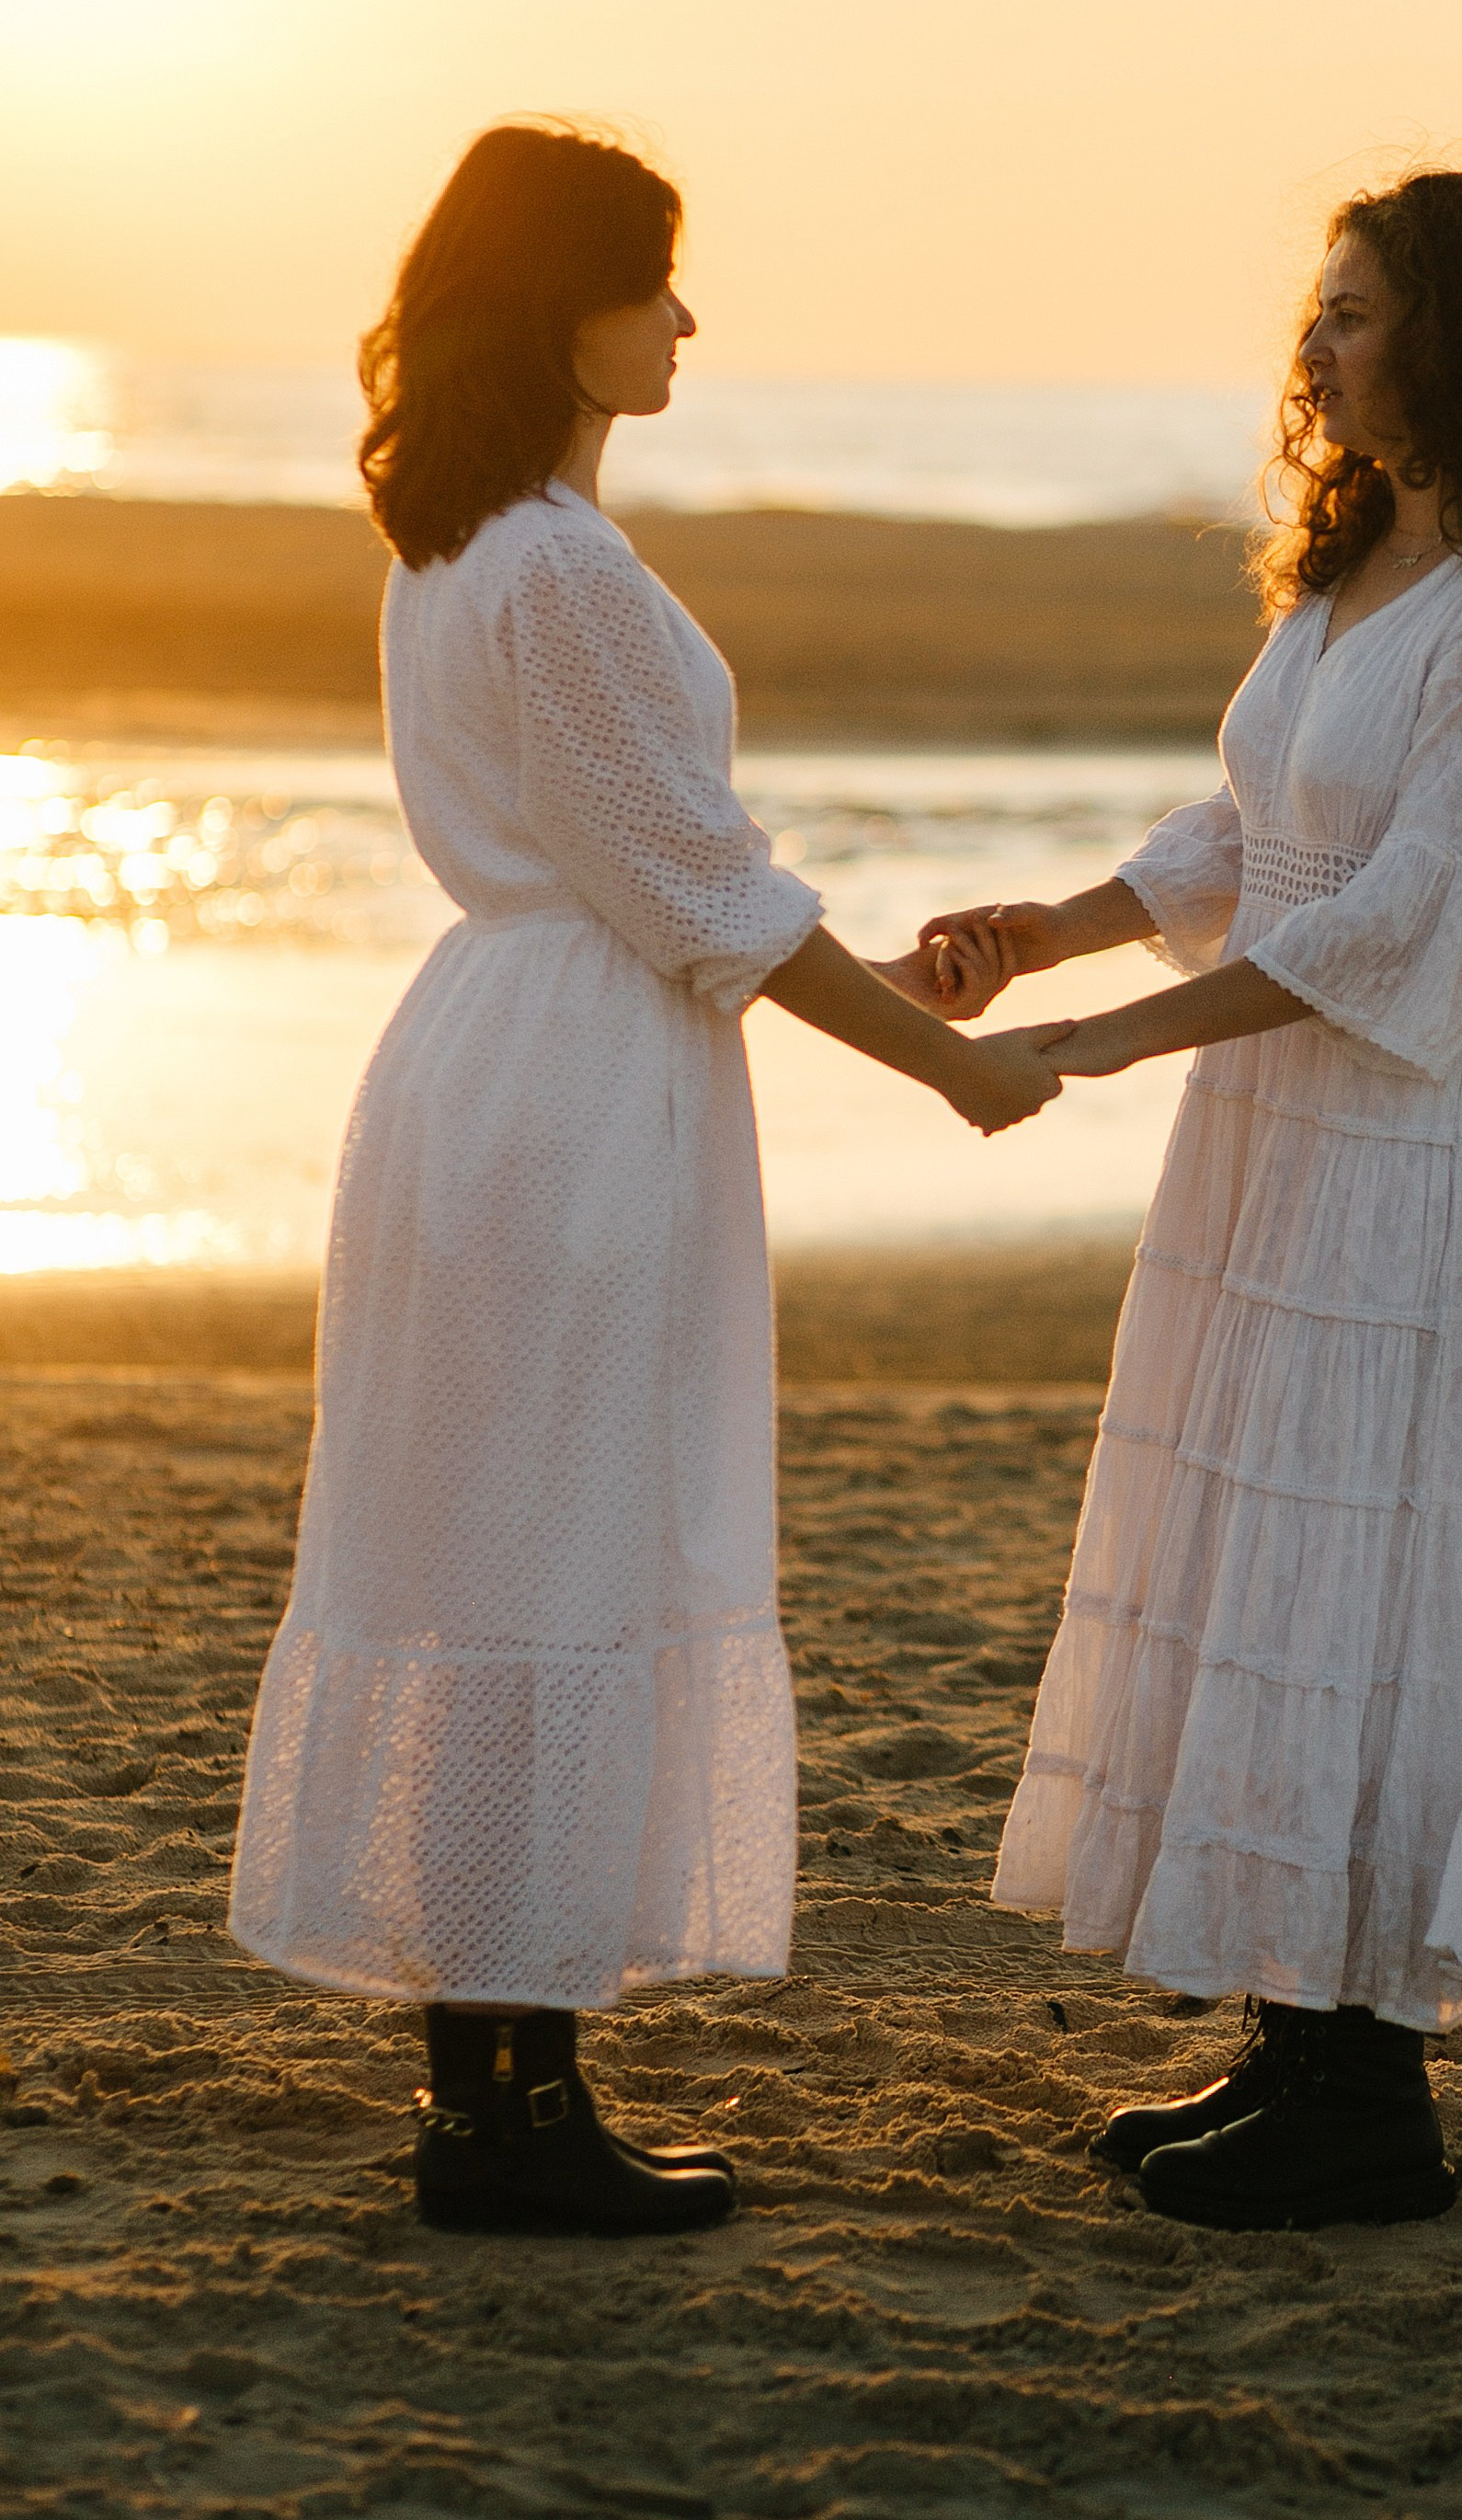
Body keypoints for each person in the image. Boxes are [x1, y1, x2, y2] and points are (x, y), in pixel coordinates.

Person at [227, 122, 1063, 2239]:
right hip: (576, 1091)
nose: (689, 318)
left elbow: (676, 875)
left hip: (492, 1057)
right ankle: (515, 2107)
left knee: (507, 1553)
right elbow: (702, 893)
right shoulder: (558, 566)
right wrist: (948, 1058)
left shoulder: (460, 544)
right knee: (562, 1557)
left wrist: (874, 975)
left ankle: (495, 2090)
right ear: (562, 302)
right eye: (657, 278)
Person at [925, 167, 1462, 2232]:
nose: (1319, 341)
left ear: (1455, 334)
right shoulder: (1351, 563)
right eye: (1319, 308)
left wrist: (1104, 1047)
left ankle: (1372, 2097)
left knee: (1364, 1561)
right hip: (1274, 1115)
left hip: (1416, 1123)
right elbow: (1246, 828)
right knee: (1259, 1539)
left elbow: (1407, 916)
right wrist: (1050, 933)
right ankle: (1292, 2036)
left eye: (1356, 308)